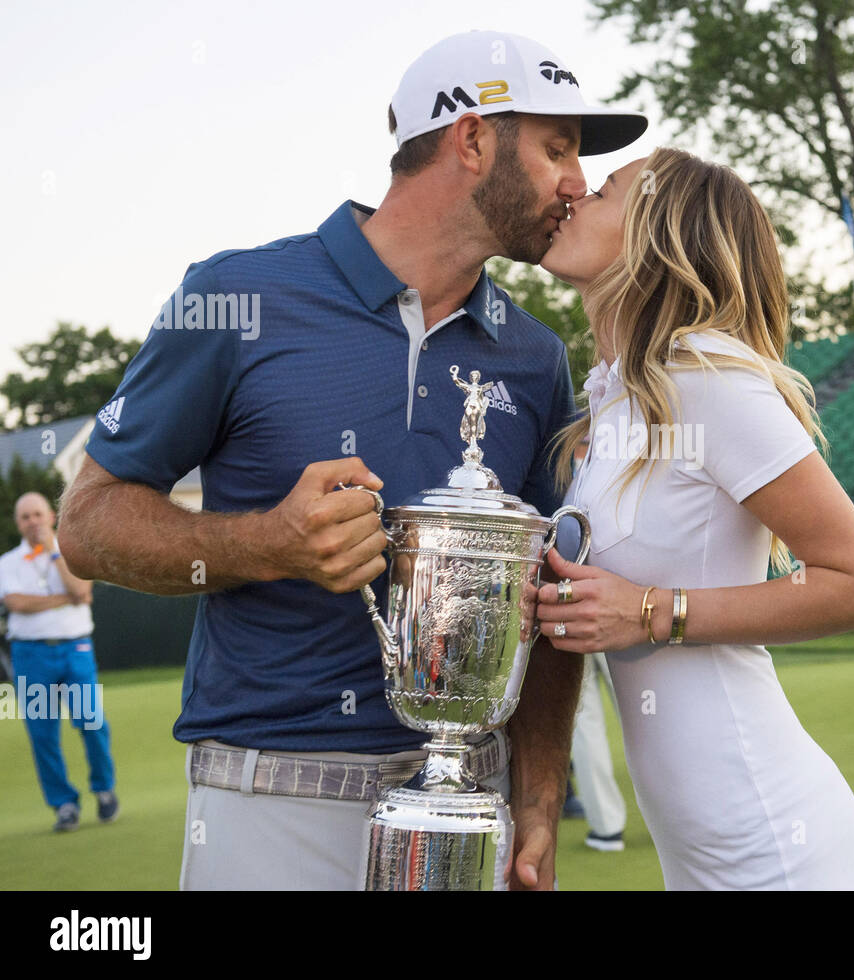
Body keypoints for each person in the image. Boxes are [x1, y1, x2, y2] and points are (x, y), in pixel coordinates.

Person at [57, 31, 648, 890]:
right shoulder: (236, 297)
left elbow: (550, 589)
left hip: (462, 809)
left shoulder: (534, 355)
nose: (577, 182)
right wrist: (268, 543)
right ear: (472, 138)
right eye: (556, 148)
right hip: (268, 805)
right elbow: (87, 523)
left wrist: (539, 792)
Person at [535, 147, 854, 889]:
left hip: (773, 844)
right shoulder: (613, 401)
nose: (573, 196)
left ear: (654, 234)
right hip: (698, 854)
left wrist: (652, 611)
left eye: (602, 192)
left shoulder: (705, 379)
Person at [0, 492, 117, 832]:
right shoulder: (8, 563)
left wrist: (54, 553)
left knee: (92, 722)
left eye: (37, 514)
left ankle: (104, 789)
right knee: (43, 734)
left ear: (50, 516)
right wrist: (64, 599)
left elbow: (80, 591)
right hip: (31, 655)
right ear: (18, 523)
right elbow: (17, 603)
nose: (32, 521)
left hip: (75, 651)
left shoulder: (72, 552)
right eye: (25, 517)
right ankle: (64, 804)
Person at [570, 652, 627, 851]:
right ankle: (671, 814)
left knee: (585, 722)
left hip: (566, 625)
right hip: (625, 627)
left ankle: (606, 828)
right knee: (642, 711)